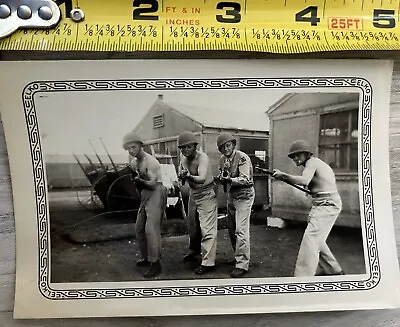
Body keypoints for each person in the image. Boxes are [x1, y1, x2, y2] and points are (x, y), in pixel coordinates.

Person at [272, 139, 345, 277]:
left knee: (310, 240)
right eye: (292, 156)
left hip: (328, 204)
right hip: (321, 203)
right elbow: (309, 185)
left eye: (297, 155)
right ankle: (334, 270)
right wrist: (285, 178)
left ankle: (302, 280)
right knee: (317, 239)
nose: (295, 158)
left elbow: (304, 181)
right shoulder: (312, 165)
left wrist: (283, 175)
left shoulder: (312, 162)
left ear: (306, 154)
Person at [122, 131, 168, 278]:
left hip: (156, 191)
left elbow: (153, 184)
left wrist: (139, 181)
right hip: (145, 194)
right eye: (128, 148)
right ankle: (147, 258)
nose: (131, 151)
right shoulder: (134, 163)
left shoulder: (151, 162)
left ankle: (156, 264)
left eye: (133, 147)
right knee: (139, 228)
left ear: (140, 145)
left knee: (151, 229)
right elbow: (138, 184)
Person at [178, 131, 218, 275]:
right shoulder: (183, 158)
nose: (185, 150)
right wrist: (182, 176)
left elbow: (201, 178)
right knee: (193, 225)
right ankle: (194, 251)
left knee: (207, 229)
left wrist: (188, 175)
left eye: (188, 147)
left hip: (206, 192)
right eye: (182, 147)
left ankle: (208, 262)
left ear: (195, 146)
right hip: (194, 193)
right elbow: (181, 177)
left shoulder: (203, 158)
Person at [217, 132, 255, 278]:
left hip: (244, 195)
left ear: (233, 144)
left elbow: (245, 179)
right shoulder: (222, 159)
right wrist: (223, 179)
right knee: (232, 229)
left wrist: (229, 180)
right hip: (232, 195)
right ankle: (238, 257)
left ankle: (242, 264)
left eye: (228, 145)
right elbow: (223, 178)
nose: (226, 149)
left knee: (241, 230)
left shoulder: (242, 157)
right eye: (222, 147)